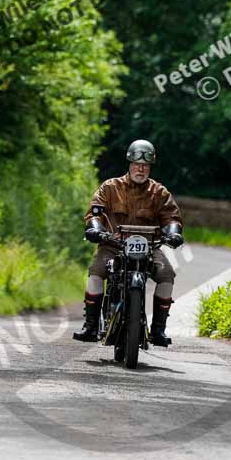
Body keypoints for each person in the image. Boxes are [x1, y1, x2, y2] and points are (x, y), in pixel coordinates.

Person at [72, 139, 184, 347]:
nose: (140, 169)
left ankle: (159, 330)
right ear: (129, 164)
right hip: (113, 245)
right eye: (136, 164)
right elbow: (95, 211)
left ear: (150, 167)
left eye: (145, 165)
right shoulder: (110, 187)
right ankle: (91, 325)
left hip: (149, 247)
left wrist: (174, 233)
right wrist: (95, 228)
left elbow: (172, 218)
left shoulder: (159, 193)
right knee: (96, 271)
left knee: (167, 275)